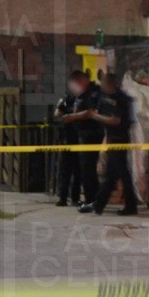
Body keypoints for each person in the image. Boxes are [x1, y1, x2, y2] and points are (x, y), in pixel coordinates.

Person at [79, 73, 137, 216]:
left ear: (110, 84)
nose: (102, 87)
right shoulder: (108, 97)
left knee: (119, 173)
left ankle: (102, 204)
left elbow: (115, 120)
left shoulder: (120, 99)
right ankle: (102, 204)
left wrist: (95, 116)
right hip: (113, 138)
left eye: (104, 84)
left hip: (119, 139)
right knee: (114, 174)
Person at [63, 70, 103, 206]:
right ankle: (93, 199)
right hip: (83, 135)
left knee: (88, 169)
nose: (73, 89)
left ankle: (92, 199)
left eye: (74, 85)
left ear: (81, 81)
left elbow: (91, 112)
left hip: (91, 134)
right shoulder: (81, 95)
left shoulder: (93, 92)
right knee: (86, 169)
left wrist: (73, 117)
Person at [53, 81, 83, 206]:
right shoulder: (66, 99)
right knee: (65, 169)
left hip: (79, 138)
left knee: (77, 170)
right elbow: (57, 113)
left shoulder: (83, 99)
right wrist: (68, 115)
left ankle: (75, 198)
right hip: (67, 138)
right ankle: (63, 197)